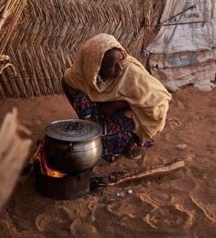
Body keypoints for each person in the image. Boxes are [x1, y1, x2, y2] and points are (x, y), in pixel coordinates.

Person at [61, 33, 171, 161]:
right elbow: (69, 83)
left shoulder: (129, 71)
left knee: (123, 124)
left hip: (126, 111)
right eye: (112, 66)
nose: (119, 68)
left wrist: (120, 104)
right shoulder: (78, 76)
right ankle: (95, 134)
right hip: (101, 112)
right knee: (82, 101)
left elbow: (159, 99)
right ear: (95, 68)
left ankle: (129, 141)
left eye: (120, 61)